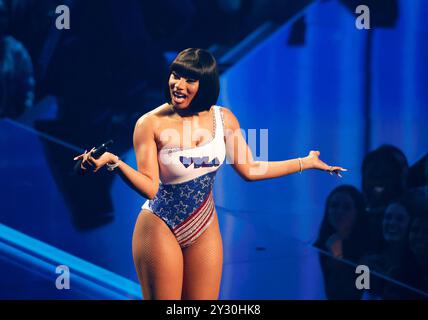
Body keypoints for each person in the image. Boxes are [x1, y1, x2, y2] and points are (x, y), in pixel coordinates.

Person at [73, 48, 347, 300]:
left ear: (205, 85)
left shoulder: (223, 119)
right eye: (175, 75)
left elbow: (251, 170)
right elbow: (151, 188)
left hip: (204, 226)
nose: (178, 85)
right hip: (159, 225)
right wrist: (115, 163)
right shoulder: (149, 123)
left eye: (189, 80)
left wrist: (306, 162)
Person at [313, 185, 368, 299]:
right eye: (334, 206)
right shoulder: (318, 247)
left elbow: (362, 290)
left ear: (358, 212)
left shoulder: (367, 250)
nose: (339, 211)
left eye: (346, 207)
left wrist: (337, 257)